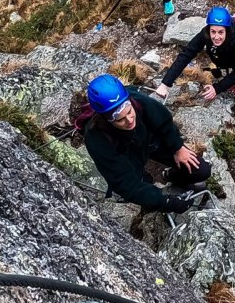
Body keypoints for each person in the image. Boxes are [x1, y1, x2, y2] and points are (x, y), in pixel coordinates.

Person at [82, 74, 210, 212]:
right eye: (120, 120)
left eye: (129, 112)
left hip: (150, 142)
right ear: (106, 119)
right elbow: (126, 184)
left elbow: (163, 120)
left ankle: (169, 175)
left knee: (201, 170)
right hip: (126, 156)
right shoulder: (97, 139)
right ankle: (147, 182)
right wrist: (165, 202)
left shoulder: (137, 101)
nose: (130, 120)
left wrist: (177, 147)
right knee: (145, 193)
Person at [154, 7, 235, 102]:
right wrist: (165, 83)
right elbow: (186, 55)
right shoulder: (205, 34)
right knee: (228, 69)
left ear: (227, 31)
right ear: (209, 29)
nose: (216, 37)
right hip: (222, 57)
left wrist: (217, 88)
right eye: (213, 32)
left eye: (220, 32)